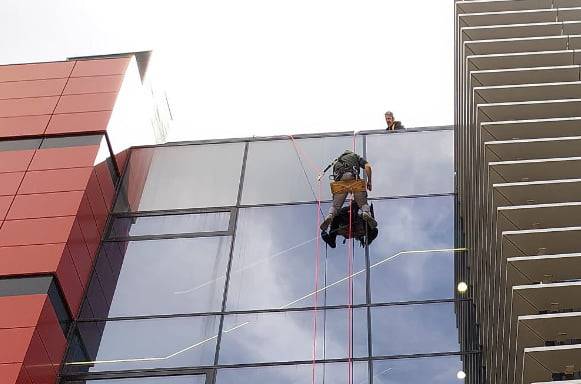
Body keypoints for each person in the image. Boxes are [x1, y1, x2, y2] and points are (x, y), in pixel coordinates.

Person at [320, 149, 377, 231]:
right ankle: (366, 213)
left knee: (335, 206)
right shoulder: (355, 156)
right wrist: (369, 181)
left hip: (340, 184)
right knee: (363, 203)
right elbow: (367, 167)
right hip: (353, 178)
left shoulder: (336, 162)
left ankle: (330, 215)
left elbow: (337, 178)